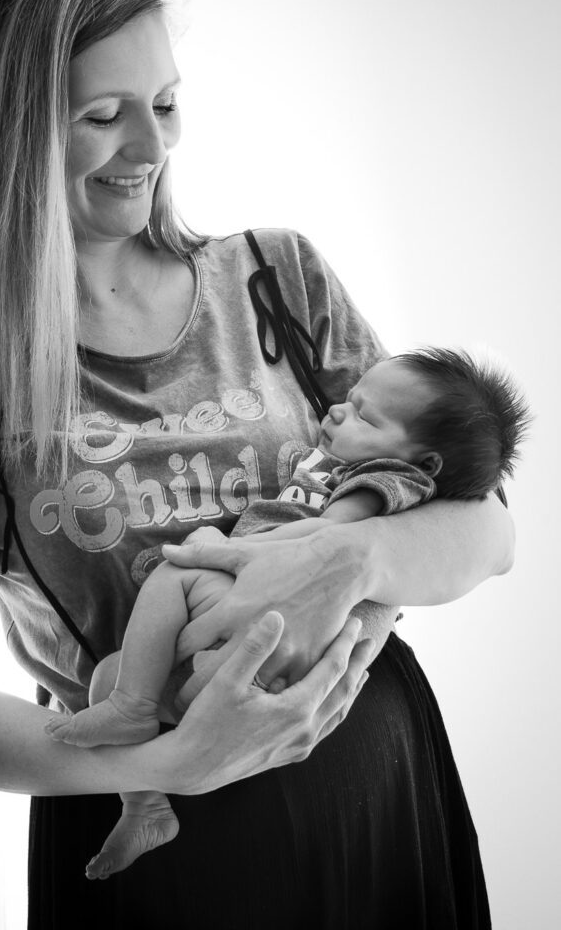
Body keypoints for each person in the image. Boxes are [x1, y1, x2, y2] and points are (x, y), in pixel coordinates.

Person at [0, 0, 516, 929]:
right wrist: (172, 759)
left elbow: (488, 529)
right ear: (11, 134)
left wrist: (344, 563)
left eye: (166, 104)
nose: (151, 148)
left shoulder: (276, 282)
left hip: (378, 806)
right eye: (104, 115)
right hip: (153, 861)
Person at [46, 347, 529, 881]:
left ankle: (134, 709)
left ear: (427, 462)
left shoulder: (389, 478)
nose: (338, 410)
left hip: (270, 616)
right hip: (252, 630)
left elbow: (331, 538)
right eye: (348, 399)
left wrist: (240, 548)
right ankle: (144, 805)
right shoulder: (363, 459)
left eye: (365, 415)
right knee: (108, 676)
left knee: (176, 571)